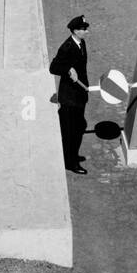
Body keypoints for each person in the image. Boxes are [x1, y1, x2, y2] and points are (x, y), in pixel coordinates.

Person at [49, 15, 91, 174]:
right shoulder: (67, 47)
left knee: (78, 128)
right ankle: (70, 163)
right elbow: (53, 68)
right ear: (74, 30)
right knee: (70, 132)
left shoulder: (81, 43)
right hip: (69, 98)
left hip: (80, 94)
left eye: (85, 28)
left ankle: (72, 156)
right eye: (83, 29)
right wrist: (68, 69)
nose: (86, 31)